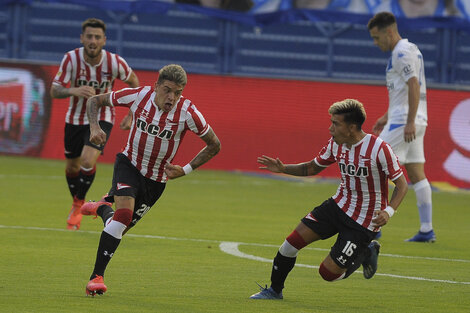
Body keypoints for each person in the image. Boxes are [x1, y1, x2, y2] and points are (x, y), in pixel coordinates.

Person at [80, 64, 221, 296]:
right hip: (129, 164)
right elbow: (94, 101)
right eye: (167, 90)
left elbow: (215, 144)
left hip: (156, 180)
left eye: (178, 92)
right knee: (123, 216)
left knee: (117, 228)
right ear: (156, 86)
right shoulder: (138, 95)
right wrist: (94, 127)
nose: (172, 97)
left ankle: (103, 207)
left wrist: (184, 170)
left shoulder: (187, 112)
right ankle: (96, 278)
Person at [250, 99, 408, 300]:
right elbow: (312, 167)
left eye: (336, 123)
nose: (330, 128)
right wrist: (284, 169)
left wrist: (389, 211)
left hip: (362, 222)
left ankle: (366, 253)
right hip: (337, 206)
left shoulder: (379, 149)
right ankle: (274, 290)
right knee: (289, 245)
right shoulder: (336, 144)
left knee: (328, 274)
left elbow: (402, 185)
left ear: (351, 127)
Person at [50, 18, 139, 230]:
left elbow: (134, 83)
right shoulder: (70, 59)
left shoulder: (114, 62)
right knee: (72, 166)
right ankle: (77, 201)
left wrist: (131, 114)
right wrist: (73, 90)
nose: (93, 40)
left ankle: (79, 204)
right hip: (74, 118)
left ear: (104, 40)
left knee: (87, 161)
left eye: (97, 37)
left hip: (102, 116)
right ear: (82, 38)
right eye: (89, 36)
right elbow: (54, 90)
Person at [368, 12, 435, 242]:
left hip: (405, 122)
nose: (376, 43)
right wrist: (386, 116)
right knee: (416, 174)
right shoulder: (411, 49)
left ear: (389, 31)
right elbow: (403, 91)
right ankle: (427, 229)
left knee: (373, 165)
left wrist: (407, 121)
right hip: (413, 119)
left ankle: (372, 228)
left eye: (377, 38)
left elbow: (413, 85)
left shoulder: (401, 52)